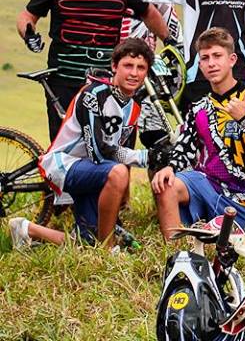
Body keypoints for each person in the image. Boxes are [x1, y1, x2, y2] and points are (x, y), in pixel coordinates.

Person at [17, 0, 172, 141]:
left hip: (106, 80)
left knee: (112, 147)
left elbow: (148, 12)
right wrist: (29, 34)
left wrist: (170, 42)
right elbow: (26, 16)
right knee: (64, 152)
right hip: (63, 79)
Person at [12, 39, 159, 248]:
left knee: (87, 242)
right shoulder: (94, 93)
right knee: (118, 172)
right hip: (65, 164)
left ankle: (25, 229)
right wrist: (144, 157)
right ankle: (107, 247)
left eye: (141, 68)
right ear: (114, 66)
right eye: (128, 66)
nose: (134, 73)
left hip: (92, 171)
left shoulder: (132, 105)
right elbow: (98, 152)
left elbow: (110, 153)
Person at [151, 28, 245, 241]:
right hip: (207, 185)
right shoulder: (199, 107)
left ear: (232, 59)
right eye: (205, 58)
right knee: (167, 185)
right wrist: (170, 167)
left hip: (242, 199)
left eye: (217, 56)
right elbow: (185, 147)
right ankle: (175, 252)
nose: (211, 63)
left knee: (232, 241)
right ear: (200, 65)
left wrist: (244, 120)